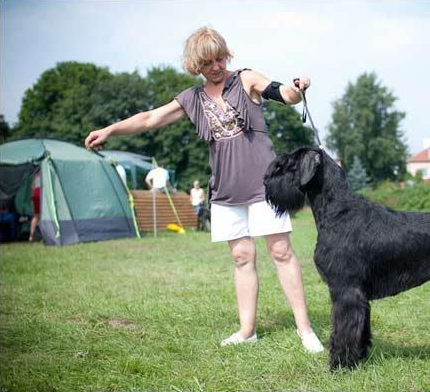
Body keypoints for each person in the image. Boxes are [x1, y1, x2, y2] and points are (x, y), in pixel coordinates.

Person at [84, 27, 323, 353]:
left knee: (280, 252)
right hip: (225, 190)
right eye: (208, 62)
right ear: (196, 65)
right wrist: (110, 130)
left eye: (220, 58)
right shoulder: (191, 99)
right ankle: (247, 331)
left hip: (264, 185)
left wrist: (298, 88)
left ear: (228, 55)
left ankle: (305, 330)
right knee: (241, 257)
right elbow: (150, 118)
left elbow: (283, 94)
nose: (216, 66)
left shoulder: (246, 79)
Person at [29, 170, 41, 242]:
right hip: (40, 193)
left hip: (35, 194)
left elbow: (32, 187)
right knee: (40, 216)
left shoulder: (35, 175)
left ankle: (31, 236)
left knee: (36, 216)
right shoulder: (44, 173)